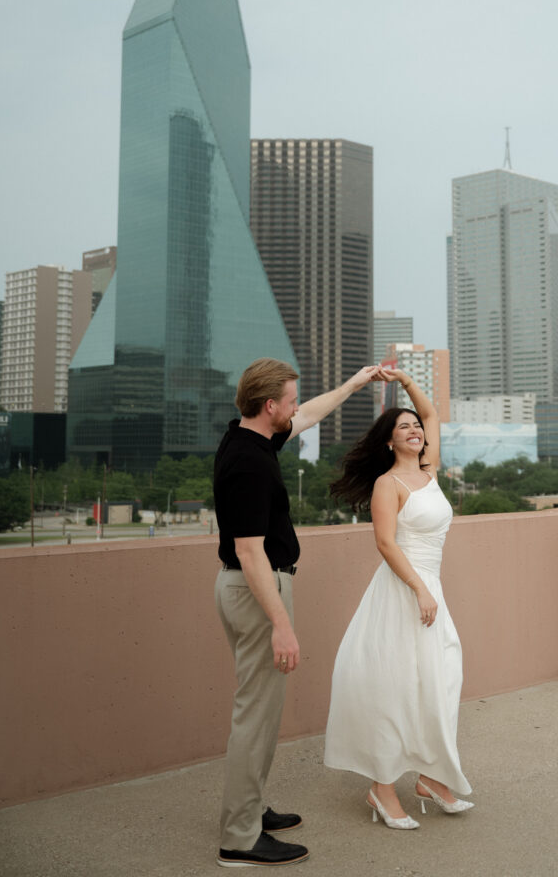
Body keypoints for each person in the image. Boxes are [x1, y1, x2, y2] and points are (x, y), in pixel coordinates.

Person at [213, 358, 380, 867]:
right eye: (289, 400)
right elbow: (248, 551)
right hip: (256, 589)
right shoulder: (250, 461)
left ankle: (252, 808)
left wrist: (354, 383)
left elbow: (307, 415)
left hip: (252, 588)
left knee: (261, 714)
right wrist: (282, 626)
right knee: (254, 717)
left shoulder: (250, 438)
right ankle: (238, 839)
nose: (295, 408)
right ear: (269, 407)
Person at [324, 366, 473, 829]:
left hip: (432, 590)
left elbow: (430, 410)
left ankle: (431, 777)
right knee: (393, 688)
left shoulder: (430, 470)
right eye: (403, 426)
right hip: (403, 591)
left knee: (440, 682)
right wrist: (420, 589)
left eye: (416, 426)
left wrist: (406, 379)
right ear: (389, 441)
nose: (414, 429)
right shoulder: (388, 485)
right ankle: (381, 789)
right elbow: (386, 544)